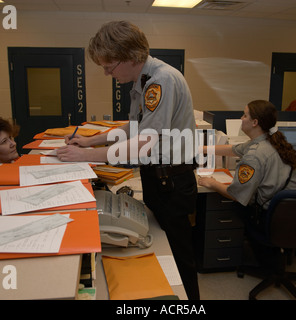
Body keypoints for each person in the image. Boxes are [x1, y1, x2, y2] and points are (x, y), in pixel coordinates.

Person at [56, 21, 200, 300]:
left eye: (110, 67)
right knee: (161, 249)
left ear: (130, 56)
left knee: (180, 257)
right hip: (159, 177)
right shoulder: (143, 81)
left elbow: (145, 143)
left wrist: (86, 156)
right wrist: (91, 140)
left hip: (172, 180)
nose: (109, 74)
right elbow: (134, 127)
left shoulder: (161, 80)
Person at [198, 100, 296, 228]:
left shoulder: (254, 155)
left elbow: (236, 195)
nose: (241, 118)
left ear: (255, 122)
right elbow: (233, 149)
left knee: (238, 207)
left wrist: (212, 182)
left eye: (244, 115)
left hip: (273, 219)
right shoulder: (270, 141)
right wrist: (201, 148)